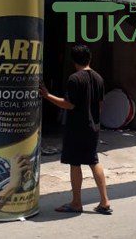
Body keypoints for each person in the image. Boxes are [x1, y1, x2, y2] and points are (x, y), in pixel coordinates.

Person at [39, 44, 112, 214]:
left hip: (77, 128)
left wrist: (47, 96)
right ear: (89, 58)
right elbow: (100, 105)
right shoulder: (99, 78)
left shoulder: (74, 79)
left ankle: (76, 203)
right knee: (93, 161)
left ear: (73, 61)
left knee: (75, 163)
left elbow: (68, 105)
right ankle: (105, 201)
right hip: (93, 127)